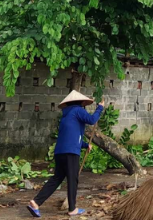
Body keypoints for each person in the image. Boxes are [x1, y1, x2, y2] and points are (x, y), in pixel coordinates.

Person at [28, 90, 104, 218]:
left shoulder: (66, 115)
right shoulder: (78, 110)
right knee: (72, 179)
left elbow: (71, 136)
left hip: (60, 152)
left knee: (57, 178)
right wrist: (100, 108)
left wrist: (85, 145)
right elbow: (92, 120)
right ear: (80, 103)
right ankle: (72, 209)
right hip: (71, 153)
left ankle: (36, 202)